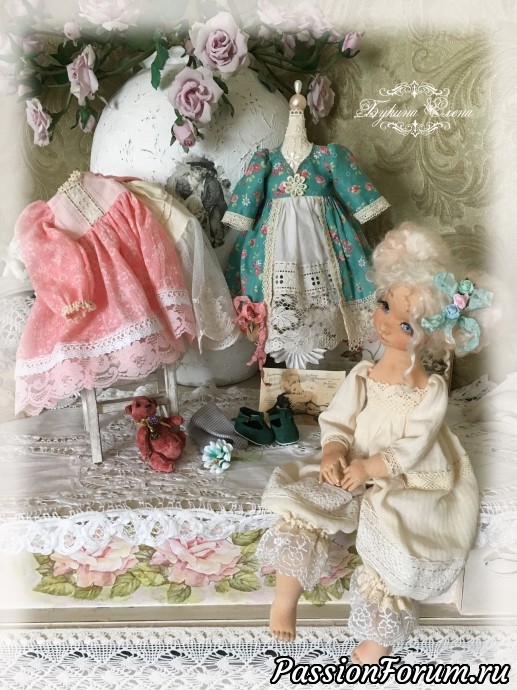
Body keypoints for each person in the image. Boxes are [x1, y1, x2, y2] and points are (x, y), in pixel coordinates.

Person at [256, 222, 498, 664]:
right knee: (308, 502)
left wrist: (373, 468)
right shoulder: (363, 373)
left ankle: (377, 640)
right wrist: (334, 449)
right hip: (355, 456)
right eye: (384, 305)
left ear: (430, 335)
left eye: (404, 323)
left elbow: (417, 442)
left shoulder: (429, 389)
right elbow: (340, 417)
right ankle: (285, 597)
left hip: (406, 472)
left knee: (401, 537)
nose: (385, 323)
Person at [223, 81, 390, 370]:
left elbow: (362, 202)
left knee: (330, 295)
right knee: (276, 296)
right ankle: (290, 365)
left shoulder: (328, 156)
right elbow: (244, 210)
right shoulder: (266, 160)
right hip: (274, 244)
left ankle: (321, 364)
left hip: (324, 240)